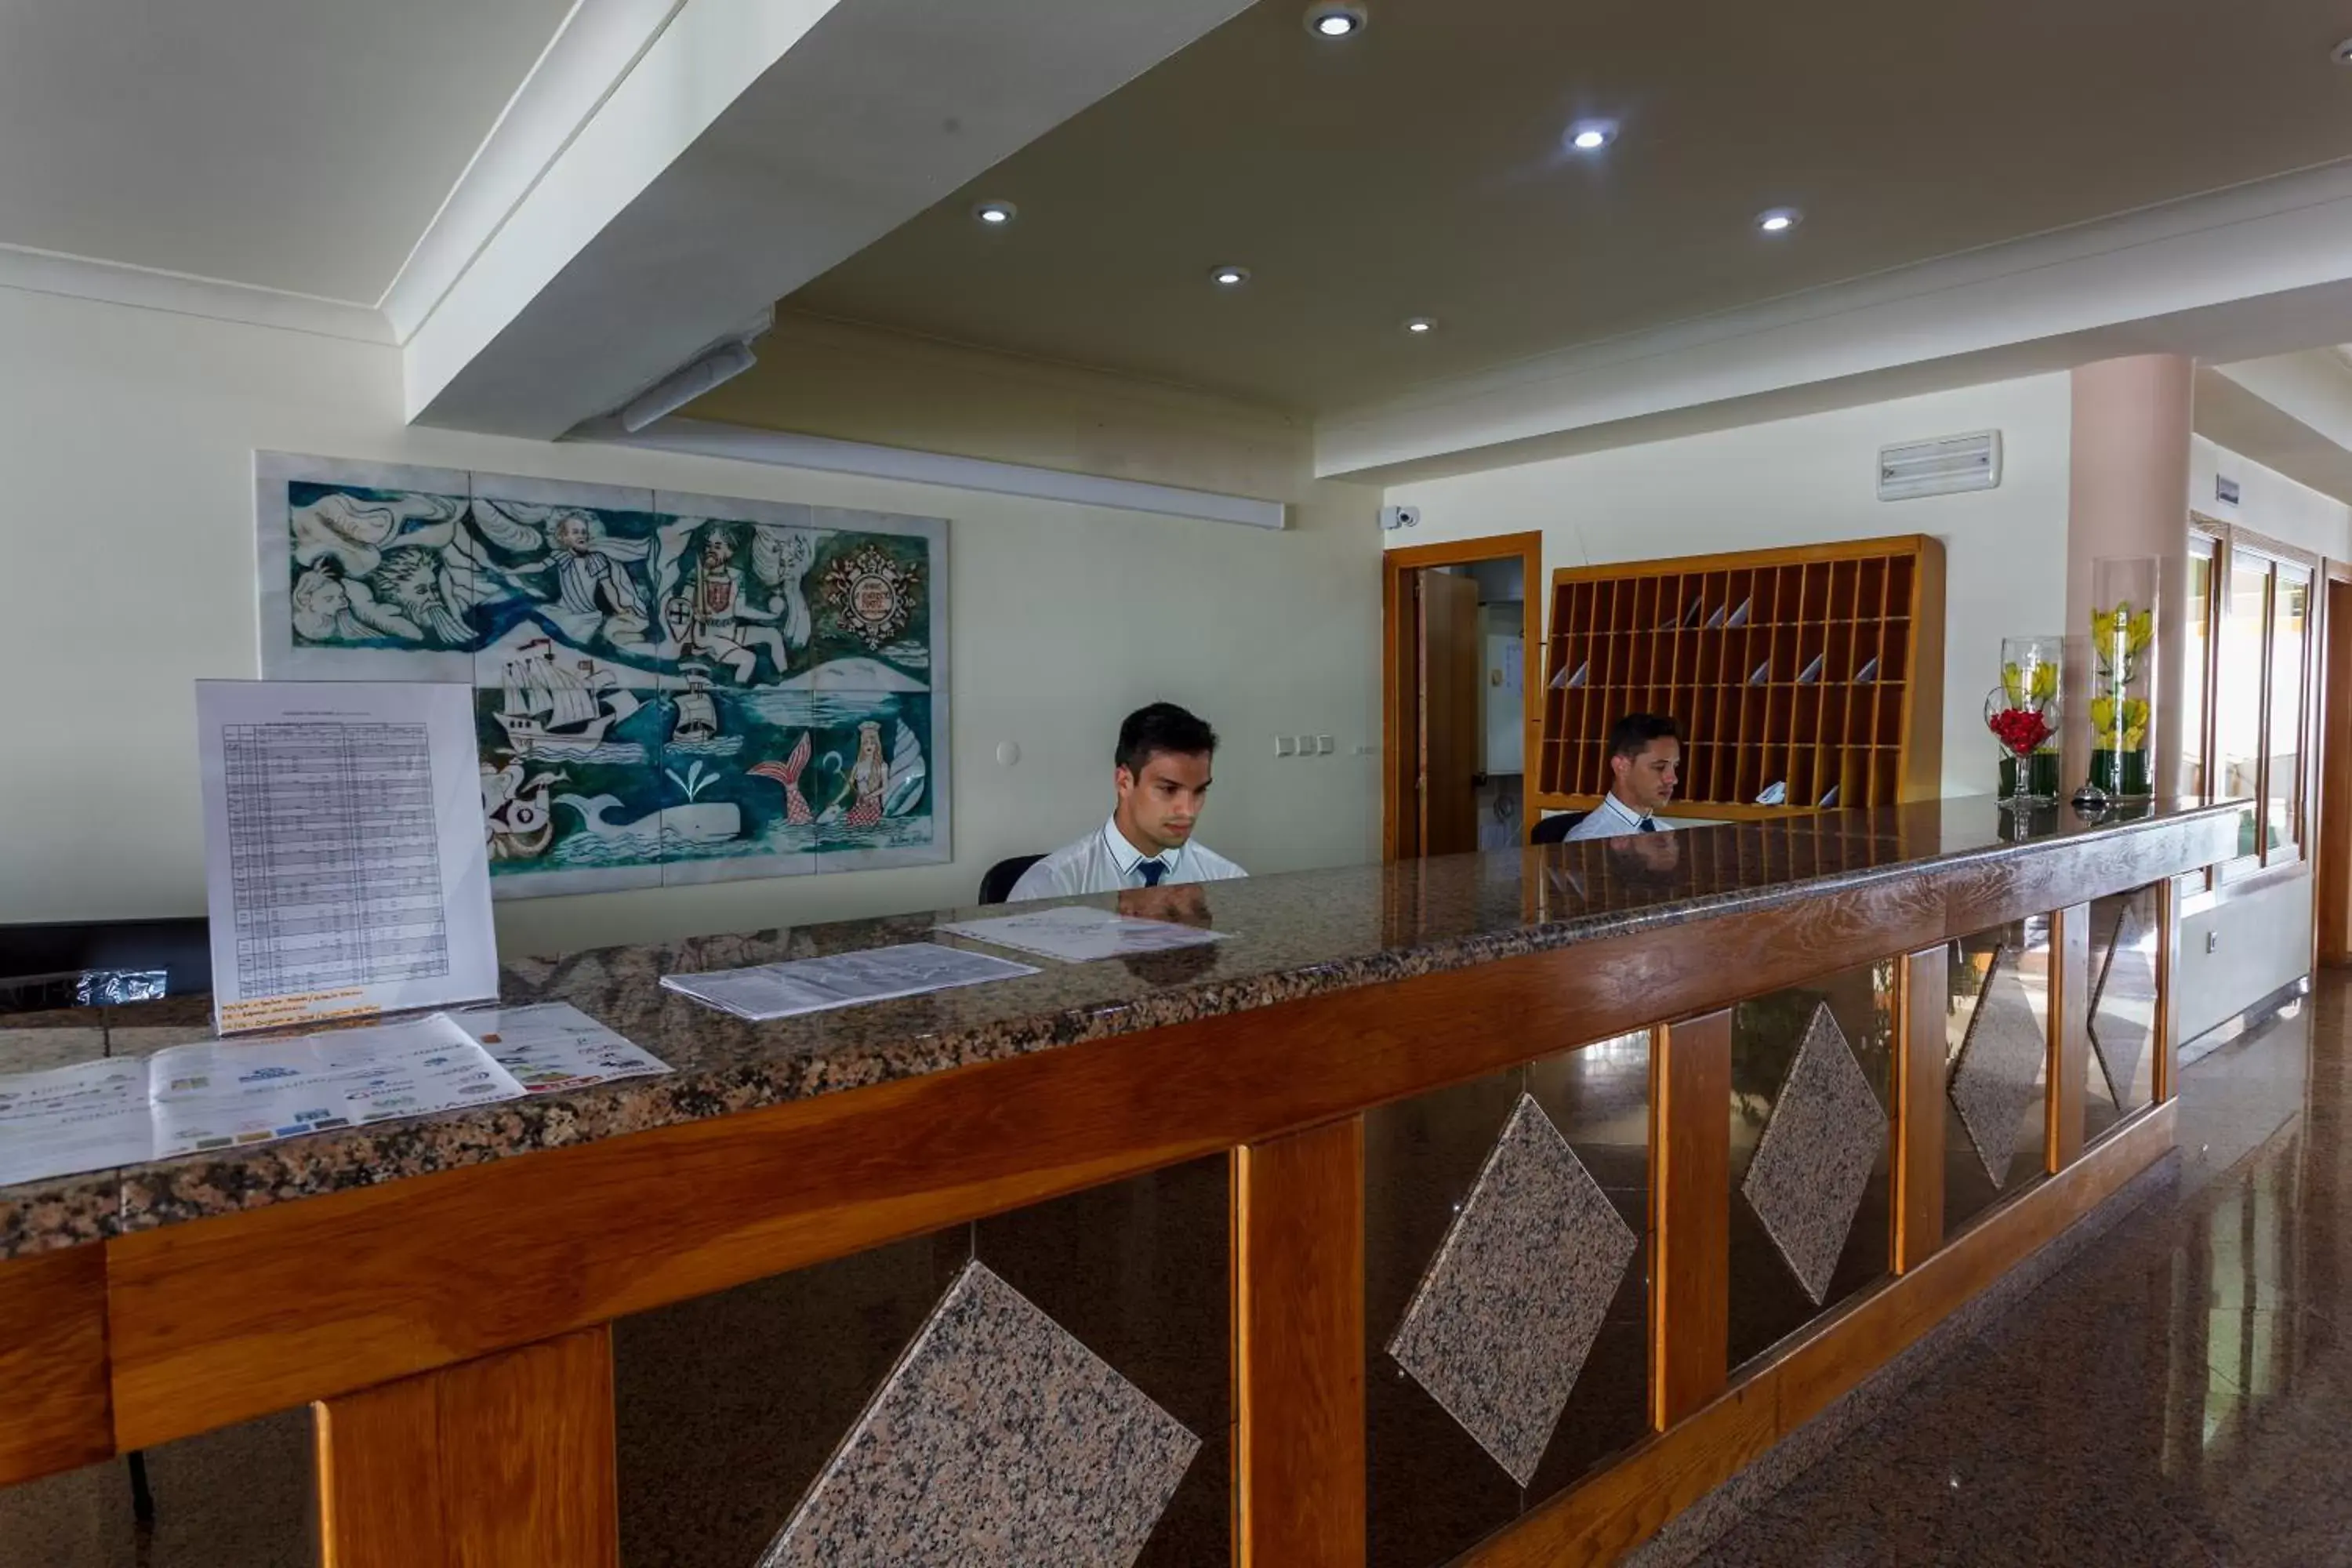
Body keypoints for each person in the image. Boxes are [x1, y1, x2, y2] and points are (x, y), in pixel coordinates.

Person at [1010, 703, 1247, 898]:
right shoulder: (1048, 889)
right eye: (1169, 789)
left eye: (1199, 791)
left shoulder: (1228, 882)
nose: (1188, 811)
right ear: (1124, 782)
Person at [1564, 713, 1682, 840]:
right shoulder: (1589, 840)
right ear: (1621, 766)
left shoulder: (1669, 835)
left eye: (1674, 766)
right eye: (1659, 767)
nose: (1673, 779)